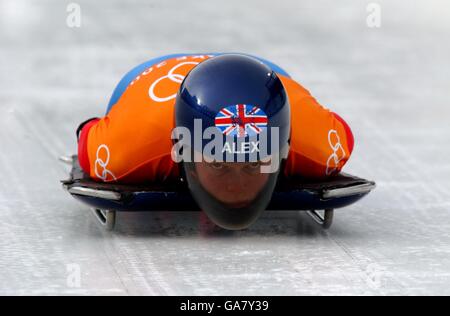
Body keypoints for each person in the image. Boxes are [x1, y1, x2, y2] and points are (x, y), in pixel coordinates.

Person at [76, 53, 354, 229]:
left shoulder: (318, 142)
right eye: (220, 164)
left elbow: (341, 131)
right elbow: (89, 134)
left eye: (255, 163)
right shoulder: (125, 149)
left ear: (285, 146)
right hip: (152, 79)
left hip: (268, 76)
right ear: (181, 150)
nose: (236, 186)